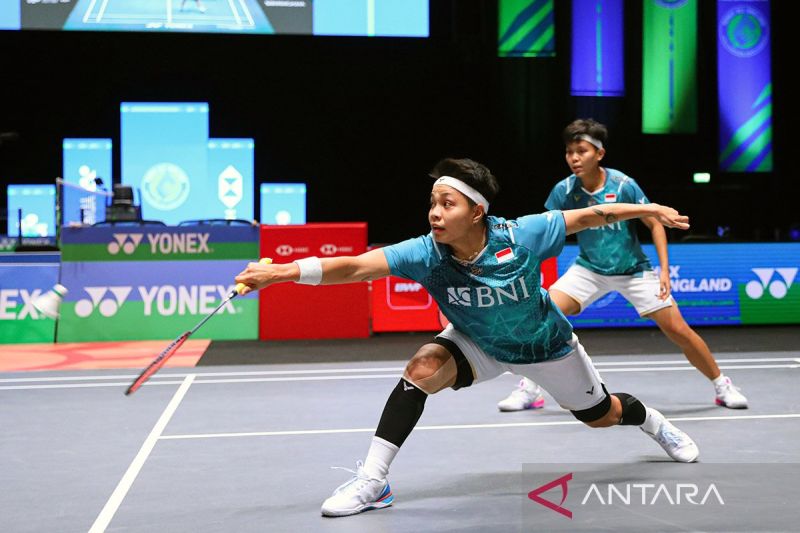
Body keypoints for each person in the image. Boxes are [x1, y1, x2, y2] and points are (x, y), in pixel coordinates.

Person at [235, 157, 700, 518]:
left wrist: (649, 209)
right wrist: (281, 273)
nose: (435, 213)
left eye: (447, 204)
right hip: (478, 343)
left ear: (477, 211)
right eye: (432, 203)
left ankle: (652, 422)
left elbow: (592, 215)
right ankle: (373, 481)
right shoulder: (424, 252)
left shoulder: (522, 235)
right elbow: (356, 266)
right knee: (420, 369)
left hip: (545, 347)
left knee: (601, 415)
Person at [497, 119, 748, 413]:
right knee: (543, 318)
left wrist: (664, 270)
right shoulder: (564, 191)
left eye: (581, 151)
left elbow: (654, 223)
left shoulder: (623, 185)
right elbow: (546, 231)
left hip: (633, 270)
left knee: (678, 329)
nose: (574, 158)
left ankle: (722, 385)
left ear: (599, 153)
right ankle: (530, 389)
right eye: (569, 152)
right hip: (589, 269)